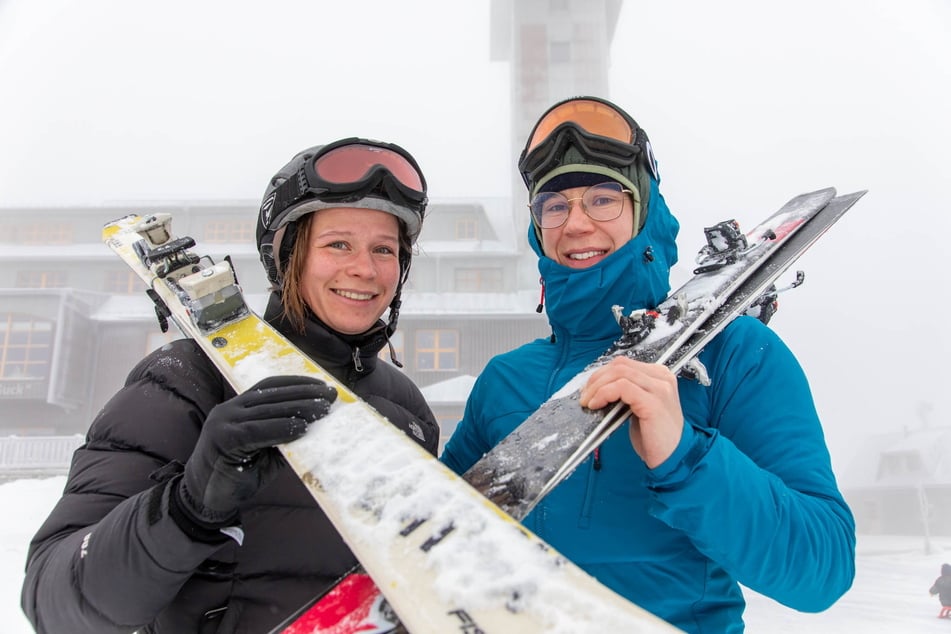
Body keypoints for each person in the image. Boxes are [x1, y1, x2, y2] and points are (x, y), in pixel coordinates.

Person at [440, 96, 856, 632]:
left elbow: (822, 568)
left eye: (603, 199)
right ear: (536, 229)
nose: (576, 223)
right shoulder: (504, 381)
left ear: (645, 213)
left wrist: (684, 456)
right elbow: (438, 539)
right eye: (555, 206)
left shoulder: (734, 355)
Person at [21, 138, 440, 633]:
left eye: (384, 250)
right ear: (286, 257)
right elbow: (54, 602)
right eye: (338, 244)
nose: (365, 270)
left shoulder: (407, 407)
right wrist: (187, 507)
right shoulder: (185, 381)